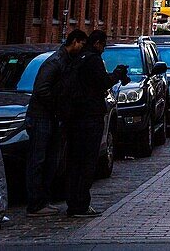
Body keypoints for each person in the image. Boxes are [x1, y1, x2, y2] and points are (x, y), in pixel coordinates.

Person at [64, 30, 127, 219]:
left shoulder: (77, 59)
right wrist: (116, 75)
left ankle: (73, 203)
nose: (104, 49)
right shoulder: (92, 59)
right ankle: (81, 205)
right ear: (98, 43)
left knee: (75, 162)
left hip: (75, 117)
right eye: (103, 45)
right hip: (90, 117)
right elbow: (102, 82)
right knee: (87, 162)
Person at [25, 28, 87, 216]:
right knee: (39, 160)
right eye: (82, 44)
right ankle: (35, 203)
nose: (82, 49)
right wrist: (57, 107)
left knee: (49, 160)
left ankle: (42, 200)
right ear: (75, 41)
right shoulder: (55, 61)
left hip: (49, 117)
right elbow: (42, 90)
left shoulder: (66, 61)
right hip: (41, 117)